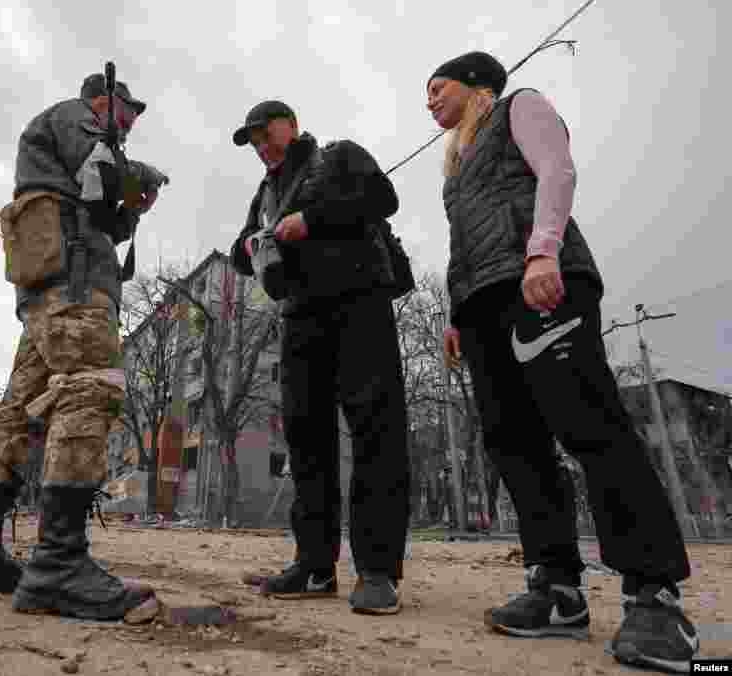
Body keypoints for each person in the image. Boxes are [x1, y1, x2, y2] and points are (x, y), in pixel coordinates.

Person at [426, 51, 698, 672]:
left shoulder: (521, 105)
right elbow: (466, 242)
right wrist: (455, 315)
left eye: (438, 89)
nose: (431, 103)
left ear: (475, 87)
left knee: (590, 427)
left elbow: (557, 171)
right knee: (515, 444)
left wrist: (543, 252)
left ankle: (654, 597)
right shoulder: (453, 167)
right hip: (483, 306)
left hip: (541, 284)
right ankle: (558, 587)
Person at [0, 70, 167, 622]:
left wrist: (132, 202)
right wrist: (142, 178)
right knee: (93, 386)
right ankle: (58, 564)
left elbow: (107, 207)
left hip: (52, 282)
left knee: (14, 414)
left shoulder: (65, 134)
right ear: (105, 102)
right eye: (127, 115)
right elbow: (105, 174)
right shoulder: (77, 115)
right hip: (76, 278)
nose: (129, 126)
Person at [228, 100, 410, 615]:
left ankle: (376, 571)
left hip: (359, 301)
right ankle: (314, 565)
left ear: (293, 125)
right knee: (306, 440)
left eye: (266, 133)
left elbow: (383, 198)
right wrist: (253, 246)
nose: (262, 146)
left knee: (375, 429)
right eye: (253, 141)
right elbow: (240, 253)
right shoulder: (264, 194)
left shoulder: (338, 157)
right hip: (299, 317)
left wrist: (311, 220)